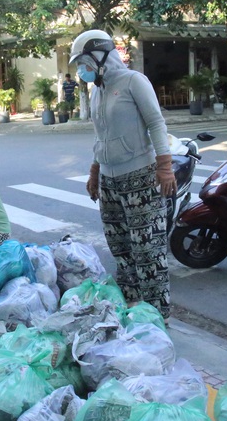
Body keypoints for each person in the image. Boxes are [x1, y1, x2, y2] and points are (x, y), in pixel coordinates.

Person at [70, 29, 177, 319]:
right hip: (109, 180)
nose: (82, 69)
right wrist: (94, 172)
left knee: (148, 253)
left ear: (102, 56)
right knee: (121, 250)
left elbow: (156, 123)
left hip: (140, 175)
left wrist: (164, 166)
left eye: (85, 62)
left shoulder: (133, 82)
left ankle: (157, 317)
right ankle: (131, 311)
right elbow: (100, 134)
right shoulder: (98, 91)